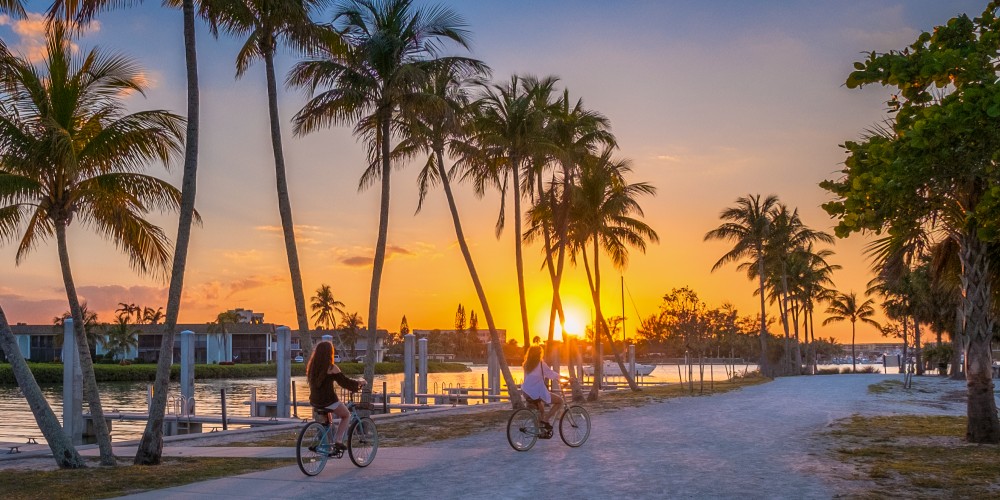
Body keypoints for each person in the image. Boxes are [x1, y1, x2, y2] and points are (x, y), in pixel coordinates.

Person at [307, 341, 365, 452]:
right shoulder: (331, 368)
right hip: (328, 401)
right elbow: (345, 382)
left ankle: (328, 446)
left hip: (315, 401)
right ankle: (338, 441)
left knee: (328, 422)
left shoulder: (312, 367)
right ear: (330, 353)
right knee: (346, 415)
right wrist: (359, 383)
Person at [521, 344, 563, 438]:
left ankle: (542, 432)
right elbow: (550, 374)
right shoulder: (540, 364)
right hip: (535, 392)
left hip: (526, 391)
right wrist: (564, 377)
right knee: (560, 401)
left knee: (541, 410)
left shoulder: (526, 364)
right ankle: (547, 420)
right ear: (539, 354)